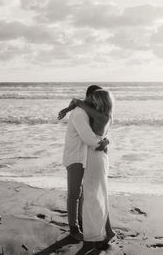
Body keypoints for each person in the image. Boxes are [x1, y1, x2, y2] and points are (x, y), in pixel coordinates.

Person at [60, 89, 115, 254]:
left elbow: (95, 136)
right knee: (76, 194)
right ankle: (74, 229)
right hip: (77, 157)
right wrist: (103, 143)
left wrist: (104, 141)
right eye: (92, 97)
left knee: (91, 195)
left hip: (89, 157)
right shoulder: (80, 113)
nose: (93, 100)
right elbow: (89, 138)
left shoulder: (89, 112)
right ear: (90, 97)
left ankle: (97, 230)